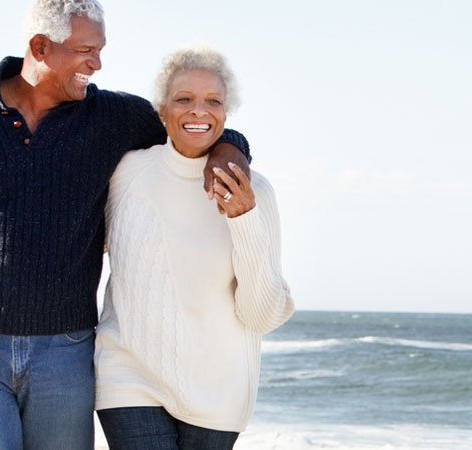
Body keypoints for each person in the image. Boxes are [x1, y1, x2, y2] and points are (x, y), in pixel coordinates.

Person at [0, 1, 251, 448]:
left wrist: (229, 151)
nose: (97, 64)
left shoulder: (114, 118)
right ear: (40, 47)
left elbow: (194, 126)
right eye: (86, 50)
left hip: (65, 351)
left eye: (100, 50)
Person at [94, 46, 295, 450]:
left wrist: (243, 219)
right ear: (162, 111)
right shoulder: (125, 174)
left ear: (226, 112)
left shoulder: (258, 193)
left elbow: (261, 315)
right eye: (183, 100)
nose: (198, 112)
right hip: (129, 375)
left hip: (219, 390)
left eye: (213, 101)